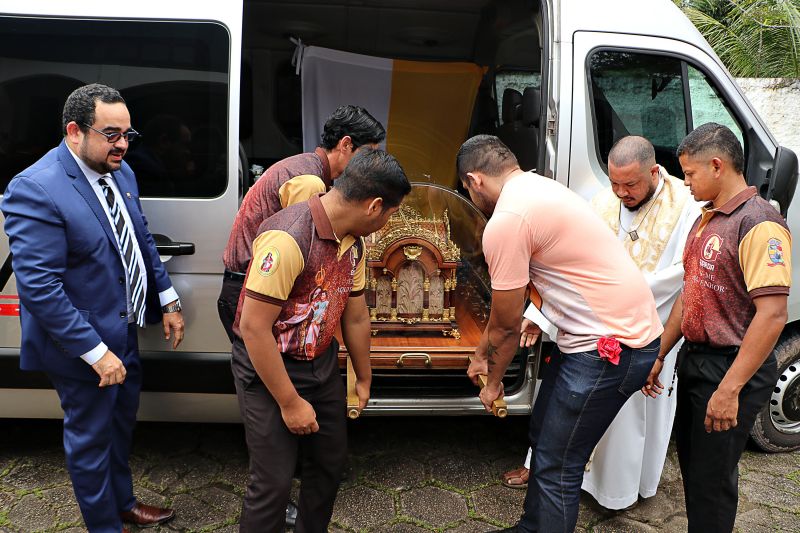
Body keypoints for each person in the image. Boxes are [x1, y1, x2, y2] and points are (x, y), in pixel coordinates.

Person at [1, 84, 185, 533]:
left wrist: (166, 299)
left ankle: (122, 504)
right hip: (81, 344)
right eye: (111, 133)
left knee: (120, 427)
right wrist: (95, 351)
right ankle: (104, 527)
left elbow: (140, 238)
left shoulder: (120, 172)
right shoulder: (35, 188)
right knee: (90, 441)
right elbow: (40, 287)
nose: (122, 144)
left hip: (123, 330)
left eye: (127, 133)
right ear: (74, 132)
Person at [457, 135, 662, 533]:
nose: (470, 194)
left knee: (558, 464)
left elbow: (505, 321)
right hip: (600, 338)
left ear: (474, 180)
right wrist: (481, 354)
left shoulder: (508, 220)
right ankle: (533, 525)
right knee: (542, 437)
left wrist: (493, 382)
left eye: (466, 189)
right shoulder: (539, 187)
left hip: (609, 348)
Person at [501, 136, 702, 509]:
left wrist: (615, 297)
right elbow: (565, 266)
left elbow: (681, 276)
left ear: (654, 172)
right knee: (561, 403)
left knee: (626, 418)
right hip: (584, 330)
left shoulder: (685, 209)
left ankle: (615, 491)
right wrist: (537, 316)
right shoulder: (601, 201)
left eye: (630, 185)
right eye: (614, 183)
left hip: (646, 330)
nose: (621, 193)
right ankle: (549, 471)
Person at [232, 148, 410, 532]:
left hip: (321, 360)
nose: (388, 222)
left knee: (329, 464)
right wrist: (291, 403)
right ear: (374, 205)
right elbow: (254, 329)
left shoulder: (355, 241)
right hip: (269, 366)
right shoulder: (288, 238)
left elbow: (356, 313)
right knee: (273, 483)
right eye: (391, 214)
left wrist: (364, 377)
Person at [643, 123, 791, 532]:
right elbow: (691, 293)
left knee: (712, 483)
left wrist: (729, 390)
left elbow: (773, 315)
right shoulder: (707, 218)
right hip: (697, 361)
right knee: (695, 472)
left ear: (717, 165)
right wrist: (659, 353)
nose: (684, 182)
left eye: (689, 174)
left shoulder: (759, 224)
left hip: (731, 368)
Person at [218, 104, 385, 342]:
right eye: (367, 155)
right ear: (346, 145)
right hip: (252, 292)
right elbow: (307, 257)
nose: (369, 166)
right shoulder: (310, 182)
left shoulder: (307, 166)